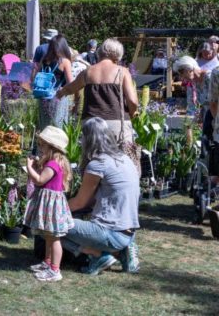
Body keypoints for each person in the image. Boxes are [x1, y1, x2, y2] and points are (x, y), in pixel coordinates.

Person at [64, 117, 140, 275]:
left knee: (50, 225)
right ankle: (120, 253)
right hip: (129, 232)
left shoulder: (98, 164)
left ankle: (99, 255)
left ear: (88, 139)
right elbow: (94, 199)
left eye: (82, 137)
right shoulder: (125, 159)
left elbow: (80, 202)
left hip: (110, 233)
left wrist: (54, 208)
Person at [56, 38, 139, 172]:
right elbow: (133, 101)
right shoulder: (122, 71)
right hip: (116, 122)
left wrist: (60, 93)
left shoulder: (88, 71)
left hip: (91, 122)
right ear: (118, 55)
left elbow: (70, 88)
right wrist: (132, 112)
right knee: (121, 162)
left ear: (101, 52)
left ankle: (90, 189)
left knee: (92, 162)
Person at [25, 126, 74, 282]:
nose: (40, 148)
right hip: (51, 203)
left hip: (51, 204)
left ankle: (55, 270)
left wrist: (29, 168)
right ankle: (48, 263)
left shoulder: (53, 164)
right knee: (49, 235)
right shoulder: (55, 162)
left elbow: (39, 180)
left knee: (53, 238)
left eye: (42, 145)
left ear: (52, 147)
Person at [174, 56, 214, 153]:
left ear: (189, 69)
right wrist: (200, 115)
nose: (181, 77)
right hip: (209, 119)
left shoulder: (210, 77)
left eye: (181, 73)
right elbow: (204, 104)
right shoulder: (194, 83)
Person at [35, 34, 74, 128]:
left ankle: (43, 142)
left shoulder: (44, 59)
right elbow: (71, 83)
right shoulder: (65, 61)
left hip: (43, 95)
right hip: (58, 97)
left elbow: (36, 74)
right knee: (57, 126)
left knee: (44, 125)